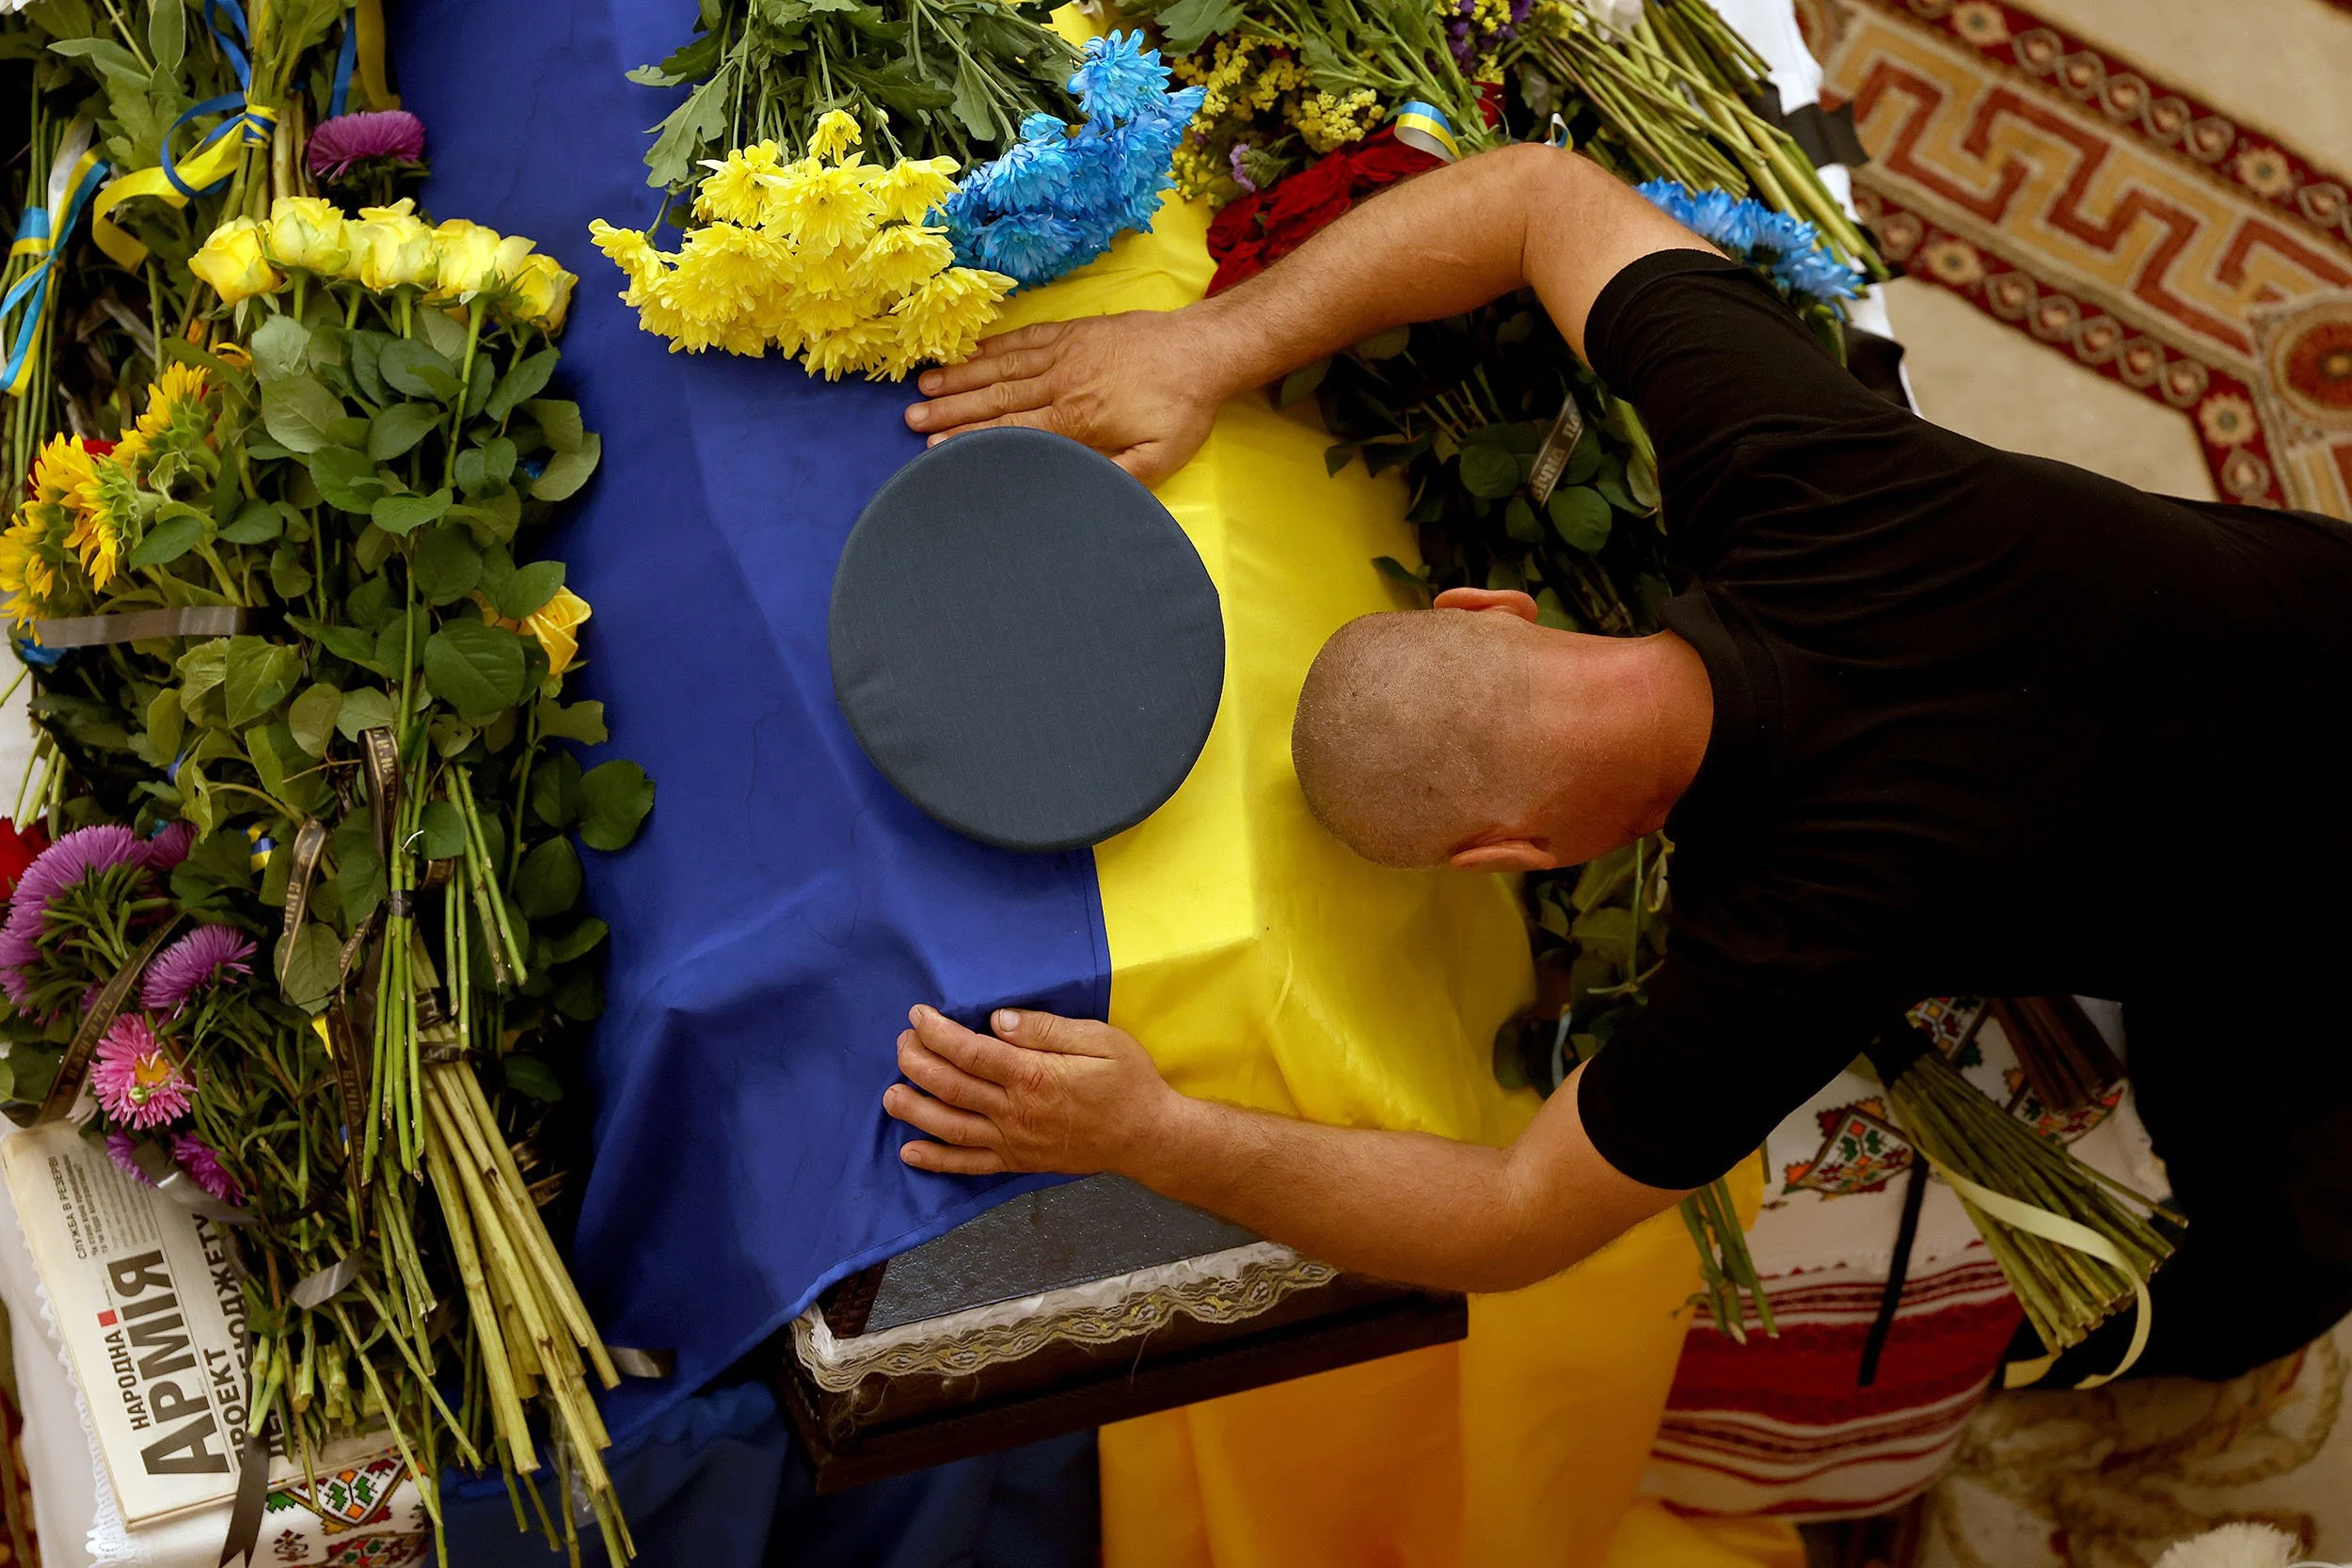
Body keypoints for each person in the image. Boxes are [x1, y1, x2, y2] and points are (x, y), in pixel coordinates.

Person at [880, 142, 2352, 1383]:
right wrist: (1215, 342)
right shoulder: (1798, 466)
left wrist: (1155, 1130)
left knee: (2262, 1251)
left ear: (1504, 857)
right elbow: (1538, 196)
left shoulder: (1785, 945)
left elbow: (1517, 1222)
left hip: (2297, 944)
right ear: (1493, 610)